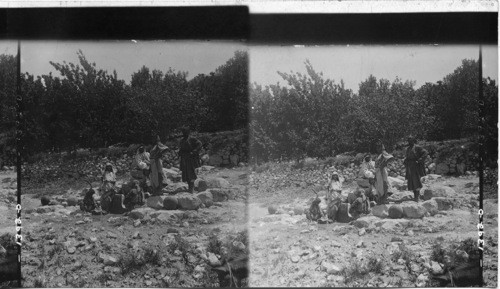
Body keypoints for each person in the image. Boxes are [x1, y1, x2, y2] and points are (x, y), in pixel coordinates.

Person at [403, 136, 428, 202]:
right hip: (410, 166)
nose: (409, 141)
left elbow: (425, 153)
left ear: (413, 140)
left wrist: (420, 160)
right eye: (408, 140)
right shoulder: (408, 148)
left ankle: (417, 196)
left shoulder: (417, 147)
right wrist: (405, 161)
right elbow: (408, 157)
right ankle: (415, 196)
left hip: (415, 166)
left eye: (411, 140)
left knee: (416, 180)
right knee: (411, 181)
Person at [179, 127, 202, 194]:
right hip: (184, 159)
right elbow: (181, 149)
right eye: (183, 132)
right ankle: (190, 187)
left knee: (191, 173)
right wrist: (180, 153)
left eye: (185, 131)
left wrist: (194, 151)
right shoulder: (182, 140)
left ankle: (191, 189)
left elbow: (199, 144)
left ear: (188, 132)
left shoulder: (192, 139)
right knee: (186, 174)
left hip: (191, 159)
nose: (184, 133)